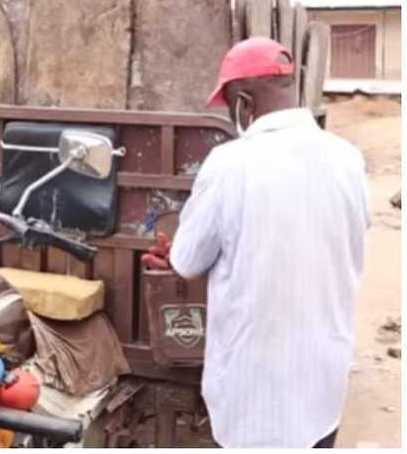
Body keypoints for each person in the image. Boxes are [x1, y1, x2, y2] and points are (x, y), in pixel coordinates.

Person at [142, 37, 370, 448]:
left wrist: (174, 255)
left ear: (244, 103)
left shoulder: (230, 164)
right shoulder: (348, 159)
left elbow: (189, 259)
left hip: (255, 392)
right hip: (323, 381)